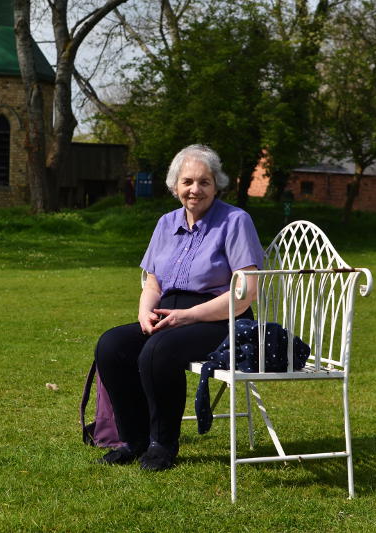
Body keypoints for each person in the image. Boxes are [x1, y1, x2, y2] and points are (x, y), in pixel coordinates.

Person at [94, 144, 265, 471]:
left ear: (217, 185)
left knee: (158, 351)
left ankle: (162, 445)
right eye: (187, 182)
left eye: (204, 182)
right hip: (168, 314)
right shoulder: (165, 223)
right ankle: (133, 439)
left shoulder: (235, 221)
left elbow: (245, 294)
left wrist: (187, 317)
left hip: (222, 318)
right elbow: (153, 282)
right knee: (112, 345)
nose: (195, 189)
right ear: (175, 186)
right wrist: (145, 311)